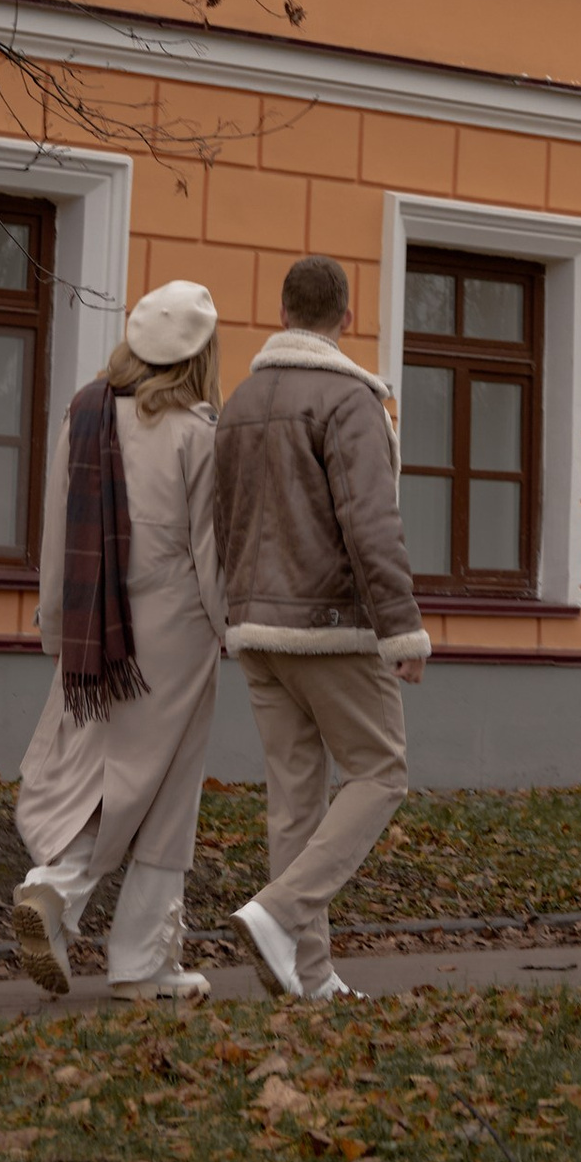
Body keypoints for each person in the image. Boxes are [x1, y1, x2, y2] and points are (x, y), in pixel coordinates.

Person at [212, 252, 430, 1002]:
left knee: (295, 802)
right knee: (381, 773)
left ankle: (307, 975)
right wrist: (401, 628)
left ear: (282, 313)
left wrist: (231, 613)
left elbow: (222, 518)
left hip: (255, 632)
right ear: (347, 318)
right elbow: (371, 522)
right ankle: (277, 913)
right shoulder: (349, 400)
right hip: (330, 626)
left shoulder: (239, 403)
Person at [11, 277, 225, 1003]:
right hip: (176, 637)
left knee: (94, 778)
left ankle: (64, 900)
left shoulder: (85, 413)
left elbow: (56, 525)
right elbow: (211, 555)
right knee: (163, 796)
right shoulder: (197, 433)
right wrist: (237, 631)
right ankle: (109, 935)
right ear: (200, 356)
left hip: (93, 629)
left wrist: (54, 624)